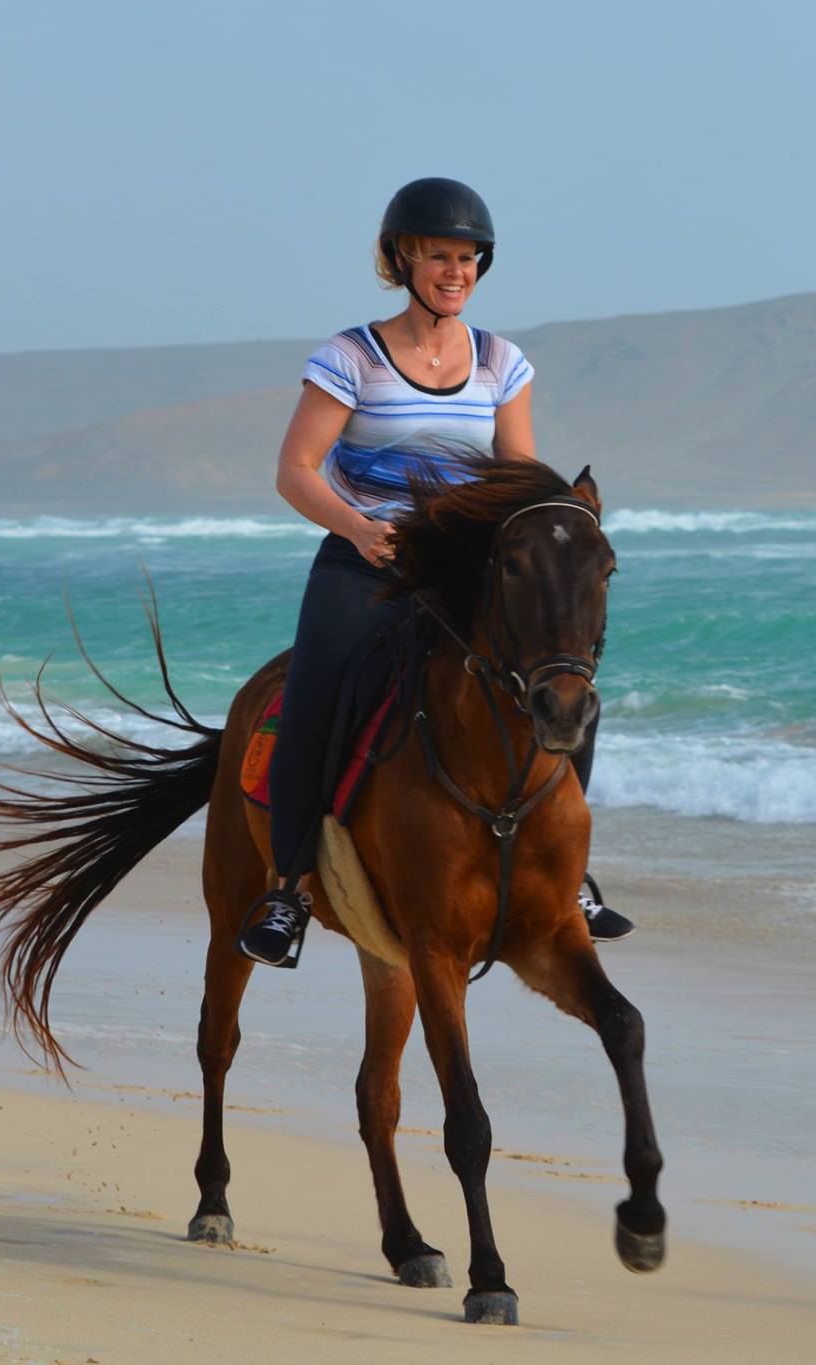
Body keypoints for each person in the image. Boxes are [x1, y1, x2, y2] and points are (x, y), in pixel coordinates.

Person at [237, 177, 634, 968]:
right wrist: (359, 527)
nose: (456, 270)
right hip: (366, 560)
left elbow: (515, 476)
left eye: (468, 257)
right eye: (439, 255)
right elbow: (296, 470)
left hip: (463, 570)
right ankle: (288, 889)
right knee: (320, 685)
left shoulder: (500, 361)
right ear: (402, 259)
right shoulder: (350, 356)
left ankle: (572, 873)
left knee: (564, 674)